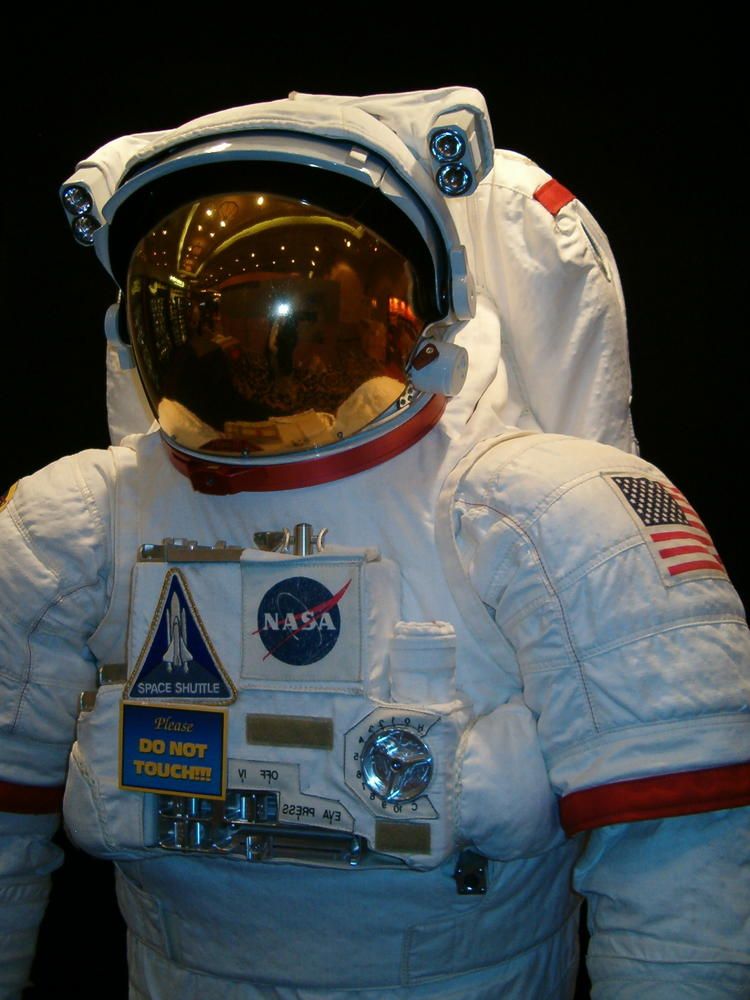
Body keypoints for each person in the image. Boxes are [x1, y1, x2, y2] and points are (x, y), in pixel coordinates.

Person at [1, 87, 748, 999]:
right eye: (226, 318)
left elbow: (684, 879)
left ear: (425, 315)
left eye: (311, 309)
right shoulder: (75, 525)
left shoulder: (545, 514)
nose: (267, 346)